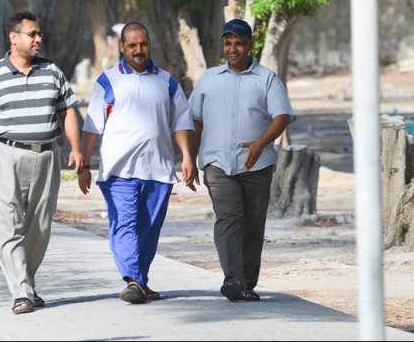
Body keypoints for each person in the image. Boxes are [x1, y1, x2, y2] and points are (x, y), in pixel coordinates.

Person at [0, 11, 83, 315]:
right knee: (7, 224)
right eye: (32, 34)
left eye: (39, 34)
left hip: (47, 156)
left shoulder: (52, 71)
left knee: (40, 226)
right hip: (8, 154)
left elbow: (67, 111)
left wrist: (76, 148)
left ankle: (27, 286)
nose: (38, 39)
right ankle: (21, 291)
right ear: (14, 37)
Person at [77, 21, 198, 304]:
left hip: (158, 169)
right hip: (118, 171)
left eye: (143, 44)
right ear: (122, 47)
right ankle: (132, 279)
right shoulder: (107, 81)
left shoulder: (167, 82)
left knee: (148, 230)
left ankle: (140, 282)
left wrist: (187, 157)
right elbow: (92, 127)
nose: (138, 50)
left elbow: (181, 122)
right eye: (132, 45)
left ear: (149, 45)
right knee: (125, 225)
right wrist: (85, 165)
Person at [188, 18, 296, 302]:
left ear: (250, 45)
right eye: (228, 43)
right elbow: (195, 121)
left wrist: (260, 143)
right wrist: (190, 159)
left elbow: (282, 116)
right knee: (228, 218)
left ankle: (247, 284)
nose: (232, 49)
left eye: (238, 43)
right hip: (217, 163)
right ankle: (232, 279)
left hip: (256, 165)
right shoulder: (209, 78)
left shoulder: (267, 79)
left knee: (252, 225)